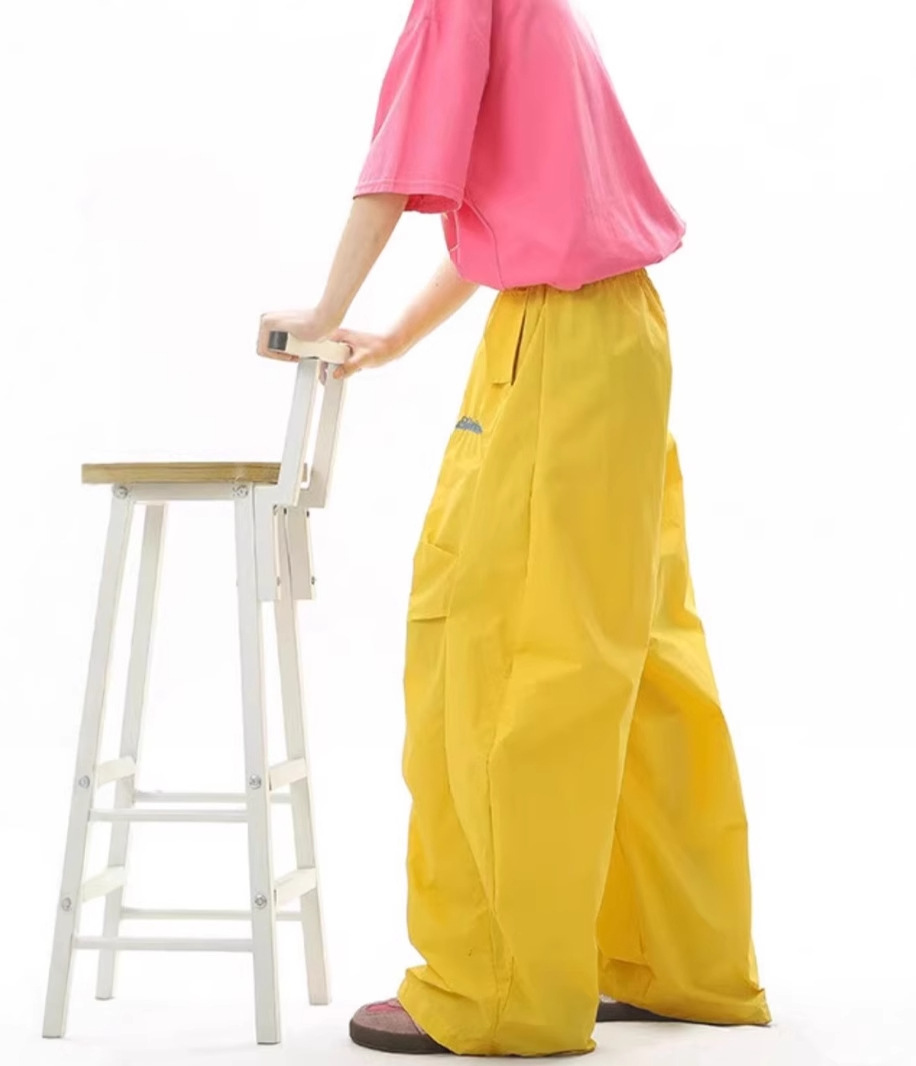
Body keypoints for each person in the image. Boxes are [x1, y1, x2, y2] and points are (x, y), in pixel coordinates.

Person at [256, 0, 770, 1056]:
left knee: (500, 653)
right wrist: (396, 334)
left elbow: (398, 174)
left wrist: (323, 312)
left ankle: (499, 989)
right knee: (634, 647)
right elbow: (518, 202)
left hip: (557, 342)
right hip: (623, 332)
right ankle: (678, 957)